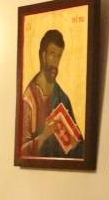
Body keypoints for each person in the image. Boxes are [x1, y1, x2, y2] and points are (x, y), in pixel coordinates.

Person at [20, 29, 83, 159]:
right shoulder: (29, 100)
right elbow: (21, 151)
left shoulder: (62, 98)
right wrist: (44, 136)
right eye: (52, 54)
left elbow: (78, 149)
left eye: (59, 56)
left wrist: (75, 144)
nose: (55, 62)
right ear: (43, 56)